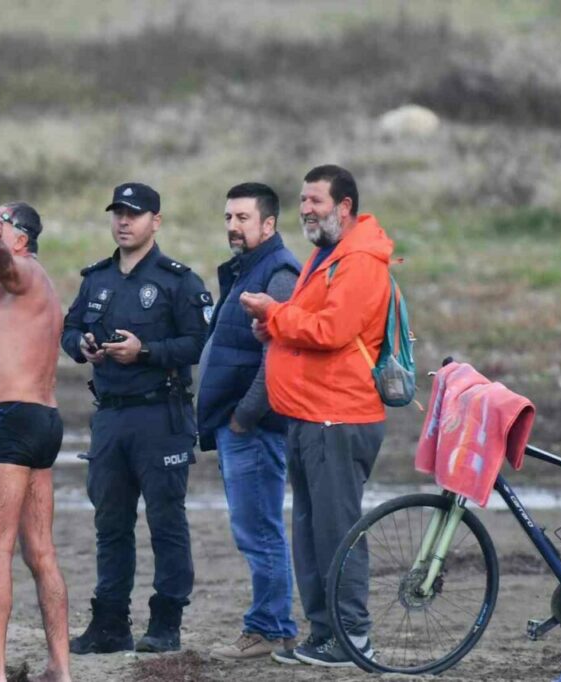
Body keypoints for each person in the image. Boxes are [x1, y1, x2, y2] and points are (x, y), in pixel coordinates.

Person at [240, 165, 393, 667]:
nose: (305, 209)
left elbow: (332, 330)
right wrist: (275, 327)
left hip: (340, 417)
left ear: (344, 206)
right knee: (310, 532)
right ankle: (325, 633)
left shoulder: (360, 260)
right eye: (303, 200)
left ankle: (353, 637)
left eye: (316, 201)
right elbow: (311, 323)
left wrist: (274, 313)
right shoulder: (327, 254)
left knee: (336, 531)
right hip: (310, 415)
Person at [61, 182, 212, 654]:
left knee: (166, 521)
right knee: (110, 523)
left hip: (160, 415)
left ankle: (166, 623)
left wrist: (144, 351)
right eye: (118, 213)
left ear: (156, 221)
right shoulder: (97, 278)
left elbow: (197, 343)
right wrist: (82, 346)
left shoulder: (178, 281)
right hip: (110, 417)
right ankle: (110, 624)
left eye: (135, 214)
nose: (124, 222)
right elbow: (69, 327)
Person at [196, 183, 301, 661]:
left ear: (269, 224)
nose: (233, 227)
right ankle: (274, 626)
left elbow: (277, 357)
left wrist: (243, 417)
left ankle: (269, 629)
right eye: (228, 218)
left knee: (260, 532)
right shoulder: (247, 270)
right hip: (235, 423)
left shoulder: (277, 274)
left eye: (242, 218)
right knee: (255, 529)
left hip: (253, 428)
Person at [0, 202, 71, 682]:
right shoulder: (37, 283)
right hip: (42, 421)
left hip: (12, 420)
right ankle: (59, 668)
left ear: (21, 239)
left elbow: (5, 265)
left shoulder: (23, 271)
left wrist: (0, 250)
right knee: (41, 552)